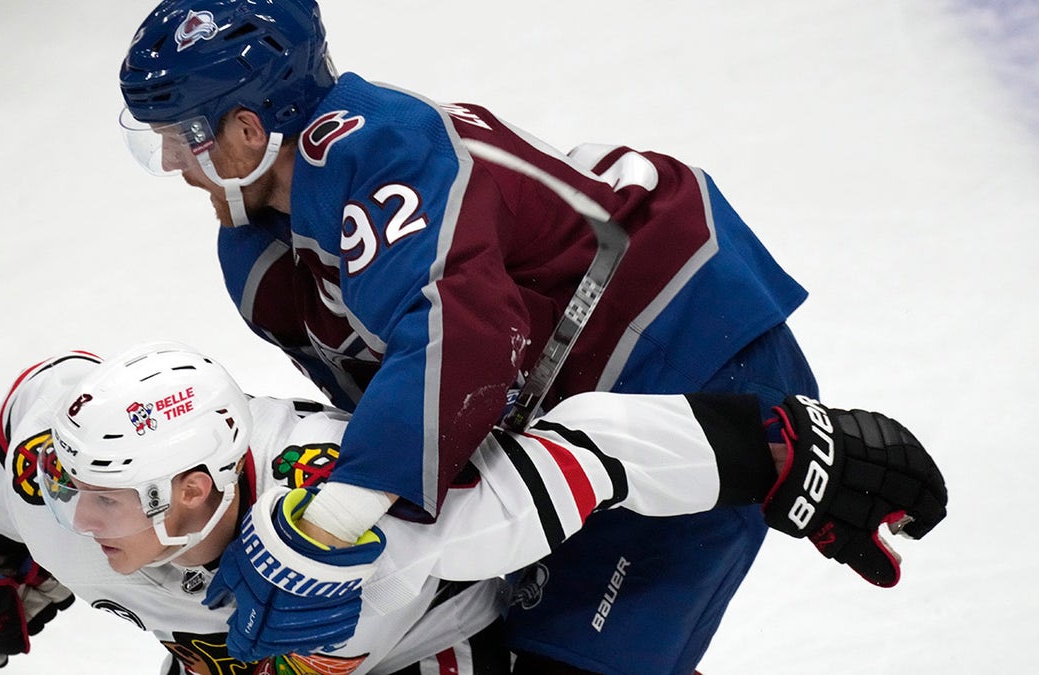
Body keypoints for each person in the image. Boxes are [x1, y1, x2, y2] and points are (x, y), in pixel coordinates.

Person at [117, 2, 944, 672]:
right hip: (565, 420)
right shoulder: (260, 236)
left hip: (683, 362)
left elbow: (461, 341)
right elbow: (392, 396)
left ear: (249, 131)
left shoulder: (376, 151)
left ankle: (775, 449)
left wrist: (327, 525)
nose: (169, 163)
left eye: (179, 135)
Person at [0, 343, 944, 674]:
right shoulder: (43, 463)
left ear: (193, 492)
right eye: (75, 485)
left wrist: (783, 452)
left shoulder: (364, 514)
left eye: (106, 499)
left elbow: (584, 452)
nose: (74, 510)